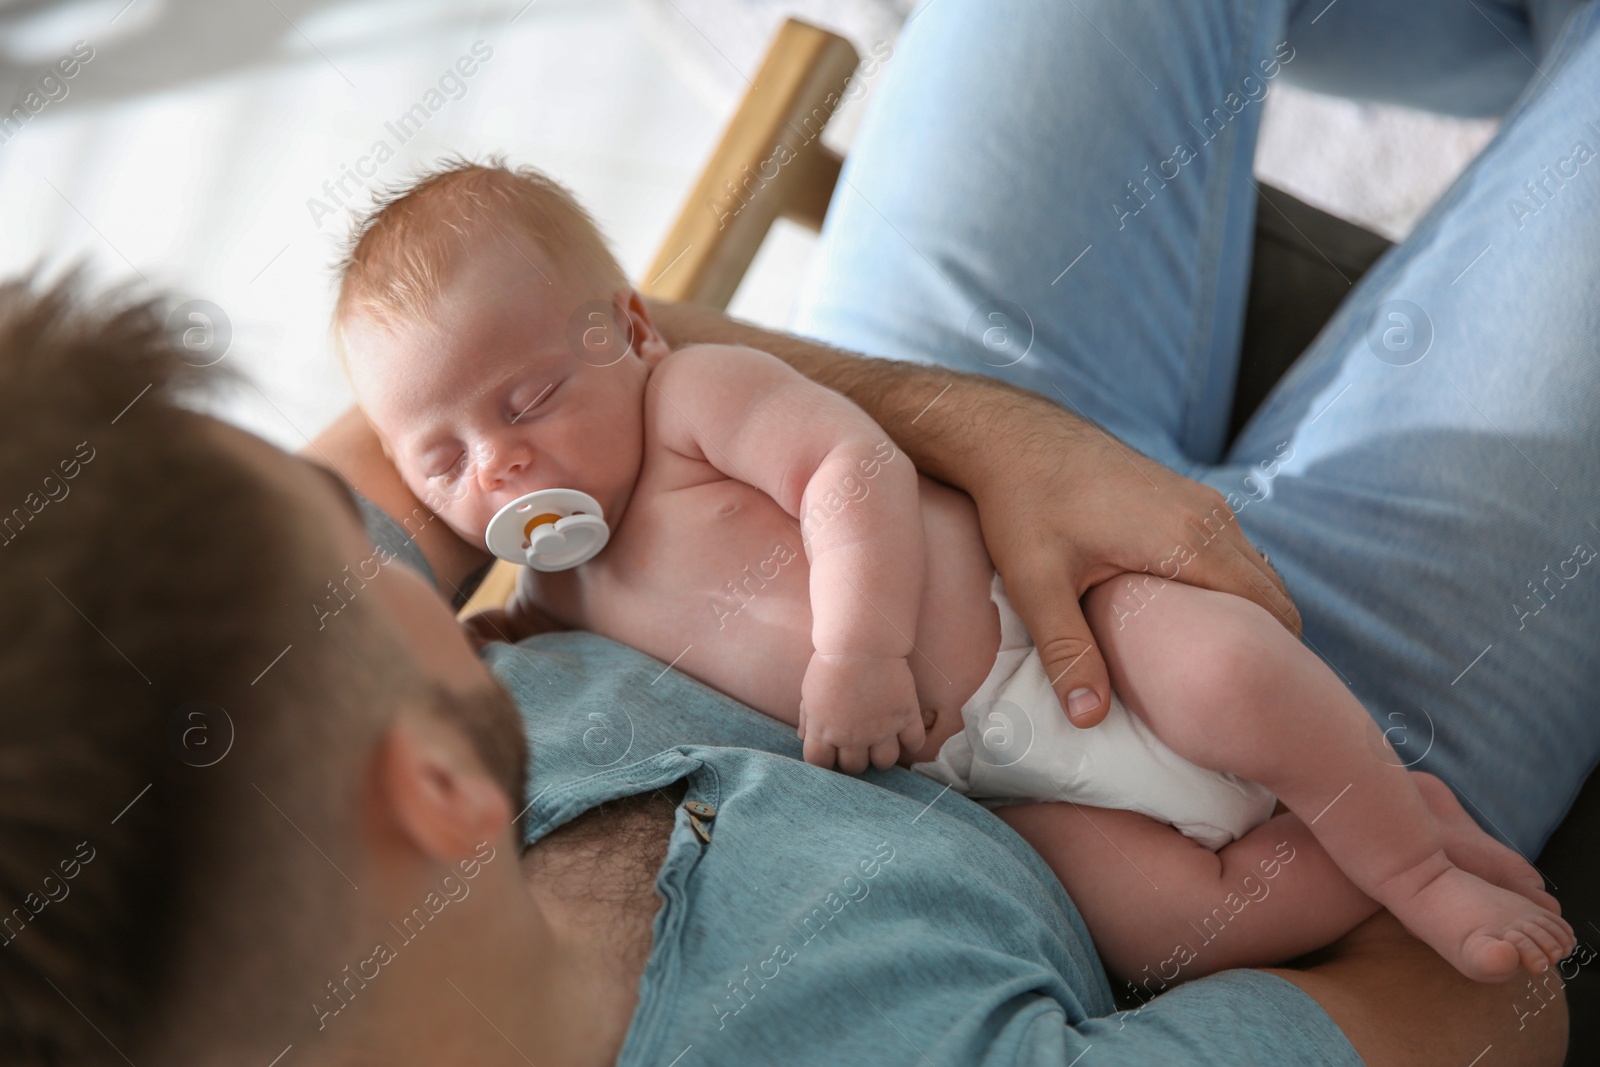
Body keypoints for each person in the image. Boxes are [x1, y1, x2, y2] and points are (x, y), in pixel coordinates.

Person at [0, 274, 1566, 1067]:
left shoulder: (211, 716)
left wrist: (988, 435)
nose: (380, 511)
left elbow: (507, 340)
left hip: (800, 456)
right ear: (433, 785)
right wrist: (1371, 842)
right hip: (1265, 730)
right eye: (343, 534)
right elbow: (1493, 1006)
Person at [327, 160, 1569, 985]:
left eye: (531, 396)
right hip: (1009, 784)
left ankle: (1411, 866)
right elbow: (554, 652)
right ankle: (1389, 831)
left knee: (1234, 682)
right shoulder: (555, 592)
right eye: (442, 459)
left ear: (636, 330)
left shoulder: (693, 402)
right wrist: (490, 649)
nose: (502, 466)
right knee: (1171, 921)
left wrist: (855, 651)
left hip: (1068, 634)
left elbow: (849, 471)